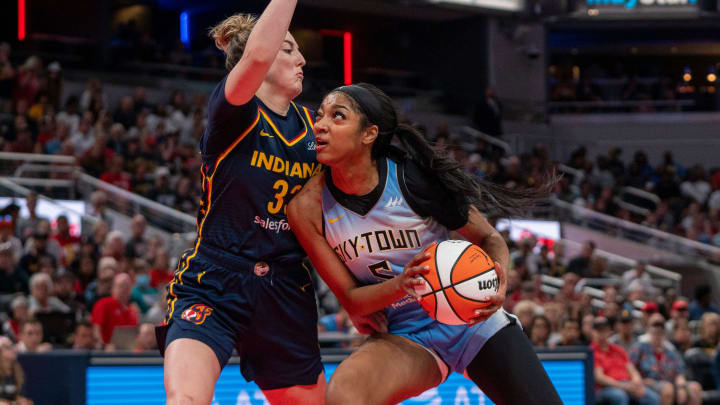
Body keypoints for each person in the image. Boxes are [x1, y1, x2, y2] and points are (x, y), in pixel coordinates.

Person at [288, 83, 561, 404]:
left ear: (368, 134)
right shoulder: (306, 207)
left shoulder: (412, 178)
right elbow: (352, 301)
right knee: (344, 394)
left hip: (472, 319)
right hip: (405, 333)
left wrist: (498, 277)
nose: (319, 124)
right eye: (319, 115)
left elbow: (489, 237)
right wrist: (405, 284)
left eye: (337, 116)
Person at [155, 2, 331, 404]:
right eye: (288, 49)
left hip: (286, 287)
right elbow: (255, 56)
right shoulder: (234, 112)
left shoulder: (315, 130)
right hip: (216, 280)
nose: (302, 58)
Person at [630, 312, 703, 405]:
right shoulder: (639, 347)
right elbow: (630, 366)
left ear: (664, 333)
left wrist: (681, 388)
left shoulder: (669, 349)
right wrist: (639, 380)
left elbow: (679, 371)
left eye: (660, 332)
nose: (657, 335)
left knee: (695, 388)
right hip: (648, 383)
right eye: (655, 332)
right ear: (649, 331)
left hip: (671, 383)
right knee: (667, 388)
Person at [591, 316, 660, 405]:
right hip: (604, 388)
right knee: (619, 396)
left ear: (609, 332)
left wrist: (637, 384)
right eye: (598, 330)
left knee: (652, 398)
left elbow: (631, 369)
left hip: (626, 384)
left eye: (604, 330)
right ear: (592, 332)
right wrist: (624, 387)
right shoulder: (592, 351)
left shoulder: (618, 349)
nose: (601, 334)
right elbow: (600, 378)